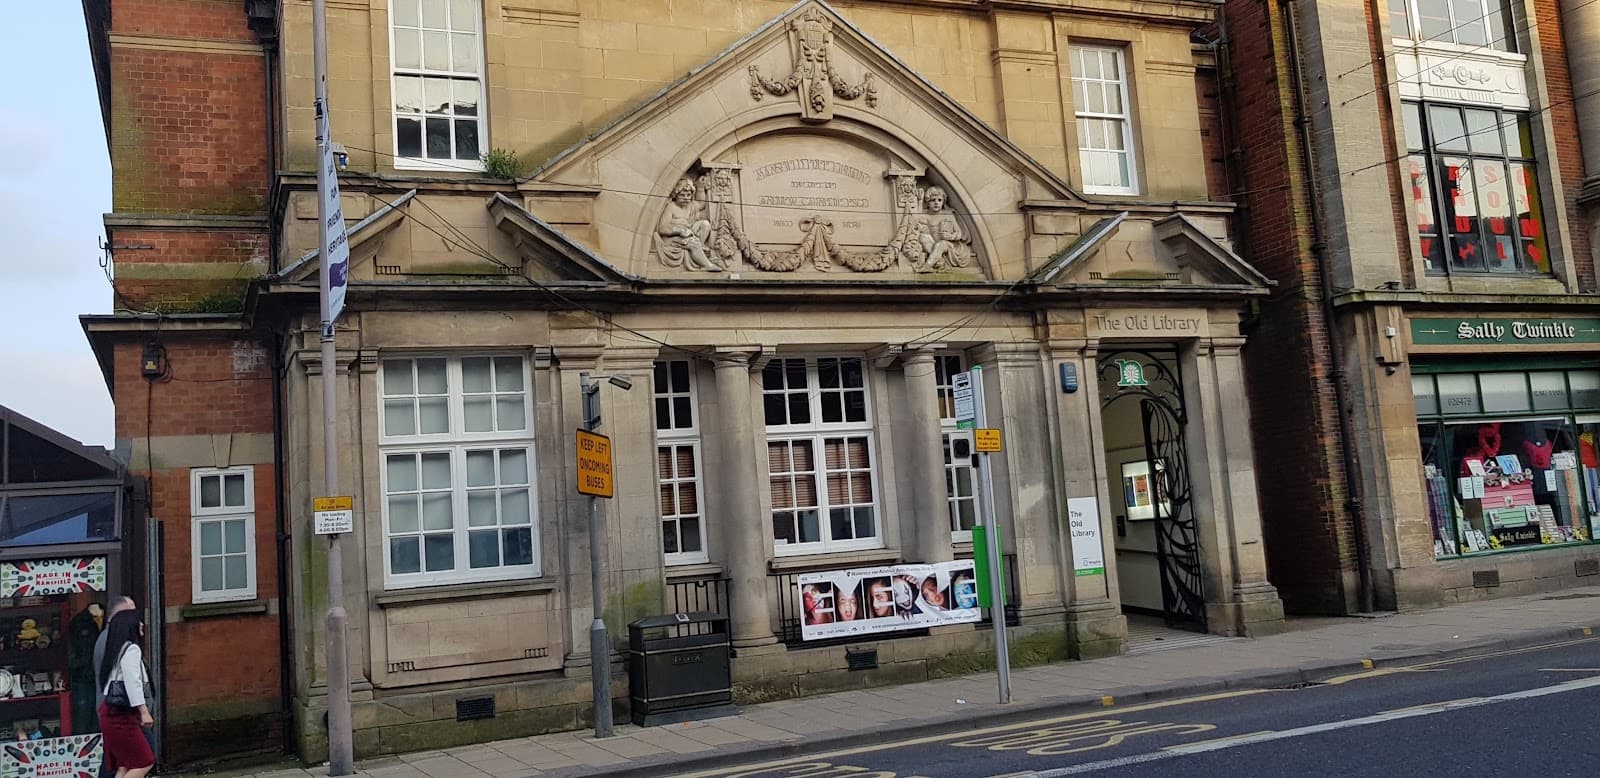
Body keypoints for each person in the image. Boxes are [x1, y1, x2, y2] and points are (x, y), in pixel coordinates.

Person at [97, 609, 154, 778]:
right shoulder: (131, 650)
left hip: (111, 713)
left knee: (124, 765)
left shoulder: (117, 649)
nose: (142, 625)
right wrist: (144, 711)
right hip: (121, 716)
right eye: (138, 621)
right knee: (145, 762)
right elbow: (133, 682)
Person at [94, 596, 140, 778]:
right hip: (120, 710)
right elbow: (125, 677)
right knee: (140, 759)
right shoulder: (113, 640)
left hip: (115, 709)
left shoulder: (108, 638)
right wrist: (141, 709)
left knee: (118, 762)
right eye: (132, 612)